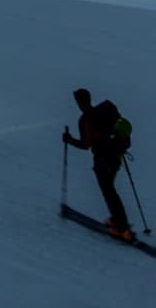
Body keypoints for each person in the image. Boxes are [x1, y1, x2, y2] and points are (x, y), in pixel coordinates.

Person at [63, 88, 132, 241]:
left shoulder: (86, 120)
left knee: (109, 192)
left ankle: (122, 227)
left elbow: (85, 145)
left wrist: (69, 140)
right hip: (116, 157)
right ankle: (117, 220)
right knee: (110, 190)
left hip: (103, 161)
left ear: (80, 102)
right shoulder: (104, 111)